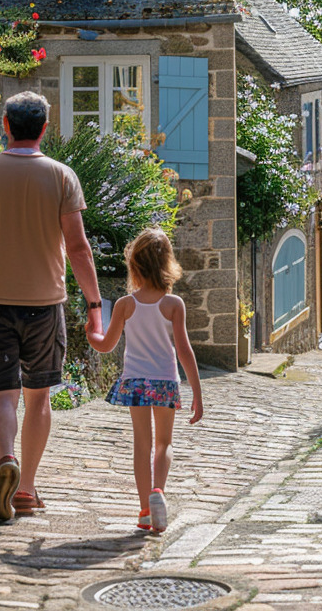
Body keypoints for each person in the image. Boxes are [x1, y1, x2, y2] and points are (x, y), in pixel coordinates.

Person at [0, 91, 104, 521]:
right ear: (45, 127)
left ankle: (5, 460)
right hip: (44, 304)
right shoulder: (61, 177)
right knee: (38, 400)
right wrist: (94, 305)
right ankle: (27, 490)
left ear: (4, 124)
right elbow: (78, 247)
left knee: (3, 395)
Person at [87, 228, 204, 533]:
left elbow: (107, 345)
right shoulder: (174, 305)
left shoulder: (126, 305)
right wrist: (198, 394)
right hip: (165, 381)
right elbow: (184, 350)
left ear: (134, 265)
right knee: (164, 443)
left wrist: (92, 333)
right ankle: (158, 492)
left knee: (142, 443)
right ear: (167, 263)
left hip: (136, 382)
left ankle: (143, 511)